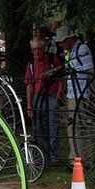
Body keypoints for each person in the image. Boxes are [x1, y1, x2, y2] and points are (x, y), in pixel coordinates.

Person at [55, 26, 93, 162]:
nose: (60, 44)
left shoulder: (82, 49)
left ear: (70, 39)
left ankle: (76, 160)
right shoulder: (71, 52)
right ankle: (85, 159)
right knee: (80, 128)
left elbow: (91, 73)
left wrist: (89, 94)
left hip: (80, 95)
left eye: (62, 41)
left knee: (75, 128)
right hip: (73, 94)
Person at [25, 36, 63, 165]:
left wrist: (58, 96)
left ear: (44, 48)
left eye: (39, 49)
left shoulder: (53, 60)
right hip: (37, 97)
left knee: (53, 127)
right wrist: (29, 105)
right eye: (34, 49)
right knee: (38, 128)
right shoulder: (31, 65)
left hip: (51, 96)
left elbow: (61, 80)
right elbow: (29, 85)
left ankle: (54, 158)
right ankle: (40, 157)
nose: (36, 52)